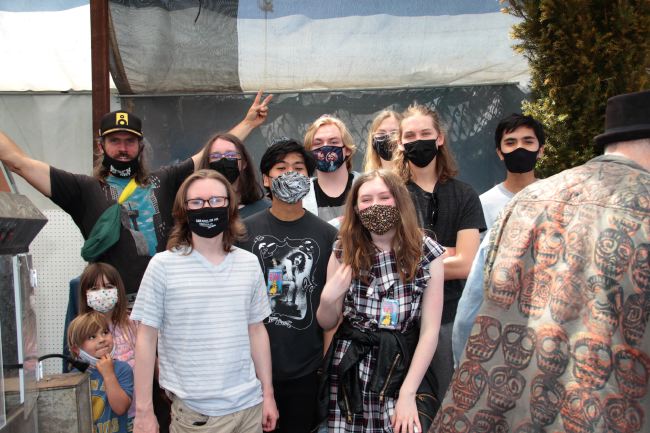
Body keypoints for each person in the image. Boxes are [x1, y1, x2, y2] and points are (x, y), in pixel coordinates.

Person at [434, 90, 650, 432]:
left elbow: (471, 312)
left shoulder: (527, 201)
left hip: (515, 406)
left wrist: (471, 379)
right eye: (510, 142)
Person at [0, 91, 271, 298]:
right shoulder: (82, 189)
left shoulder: (164, 180)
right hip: (113, 309)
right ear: (101, 146)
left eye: (129, 141)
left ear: (141, 146)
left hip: (165, 301)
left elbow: (210, 153)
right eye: (114, 141)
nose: (122, 148)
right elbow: (18, 162)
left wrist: (248, 123)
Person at [131, 169, 278, 433]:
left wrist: (268, 394)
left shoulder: (248, 263)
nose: (207, 208)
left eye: (216, 200)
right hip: (197, 417)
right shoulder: (163, 266)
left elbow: (256, 330)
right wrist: (143, 411)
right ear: (183, 210)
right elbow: (145, 338)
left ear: (230, 206)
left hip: (250, 409)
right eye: (197, 202)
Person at [317, 170, 445, 433]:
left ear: (399, 201)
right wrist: (328, 298)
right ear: (356, 208)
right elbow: (327, 322)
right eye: (366, 200)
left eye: (384, 197)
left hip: (402, 367)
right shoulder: (343, 250)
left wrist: (408, 394)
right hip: (352, 369)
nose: (375, 205)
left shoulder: (426, 252)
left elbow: (430, 331)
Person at [238, 139, 338, 433]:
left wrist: (325, 367)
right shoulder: (243, 233)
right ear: (266, 179)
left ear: (309, 177)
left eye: (298, 168)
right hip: (251, 370)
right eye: (281, 168)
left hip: (306, 370)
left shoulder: (327, 235)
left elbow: (333, 308)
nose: (290, 174)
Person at [394, 104, 486, 401]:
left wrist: (414, 260)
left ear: (440, 138)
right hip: (402, 321)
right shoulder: (392, 195)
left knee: (451, 400)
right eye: (410, 136)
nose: (418, 141)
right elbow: (389, 261)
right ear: (400, 143)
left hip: (450, 319)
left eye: (425, 133)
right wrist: (447, 252)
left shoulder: (464, 194)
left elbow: (466, 264)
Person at [451, 113, 545, 365]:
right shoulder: (483, 204)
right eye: (511, 143)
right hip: (496, 321)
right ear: (500, 153)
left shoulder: (555, 198)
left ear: (541, 150)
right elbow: (476, 275)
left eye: (528, 141)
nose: (519, 148)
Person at [68, 311, 133, 433]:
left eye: (105, 332)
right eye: (92, 337)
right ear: (76, 349)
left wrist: (108, 374)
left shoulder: (122, 369)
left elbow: (121, 408)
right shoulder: (74, 377)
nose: (102, 339)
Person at [196, 132, 269, 218]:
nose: (223, 160)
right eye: (215, 156)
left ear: (244, 163)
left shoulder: (265, 210)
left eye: (231, 155)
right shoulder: (199, 215)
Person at [302, 115, 359, 224]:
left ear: (347, 149)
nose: (325, 147)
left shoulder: (366, 184)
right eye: (318, 143)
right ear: (309, 152)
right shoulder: (301, 194)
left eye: (333, 142)